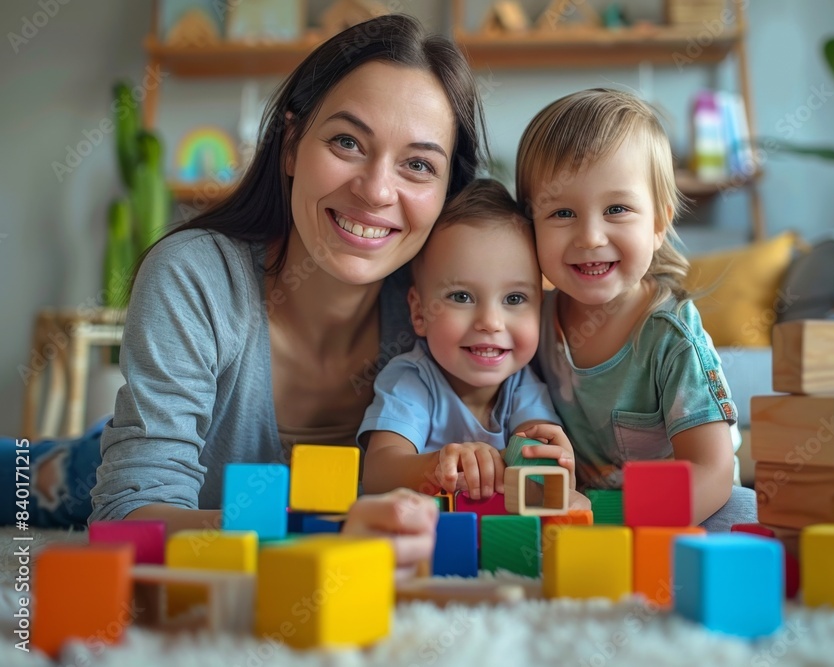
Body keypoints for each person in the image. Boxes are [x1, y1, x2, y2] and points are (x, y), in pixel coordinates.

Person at [4, 14, 489, 568]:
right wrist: (321, 537)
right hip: (131, 456)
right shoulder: (196, 277)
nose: (377, 190)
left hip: (169, 444)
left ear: (449, 190)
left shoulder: (452, 307)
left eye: (419, 164)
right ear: (290, 146)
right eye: (348, 141)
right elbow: (124, 518)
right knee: (31, 478)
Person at [515, 88, 757, 530]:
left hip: (683, 510)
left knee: (744, 512)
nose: (590, 236)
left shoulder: (671, 336)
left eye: (617, 209)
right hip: (585, 510)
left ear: (660, 223)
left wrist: (629, 532)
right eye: (562, 213)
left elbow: (713, 471)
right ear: (530, 226)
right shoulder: (534, 322)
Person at [359, 179, 587, 507]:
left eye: (514, 297)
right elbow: (379, 474)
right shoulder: (412, 380)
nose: (490, 322)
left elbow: (539, 467)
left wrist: (555, 468)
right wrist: (440, 466)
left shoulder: (523, 386)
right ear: (419, 311)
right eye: (461, 296)